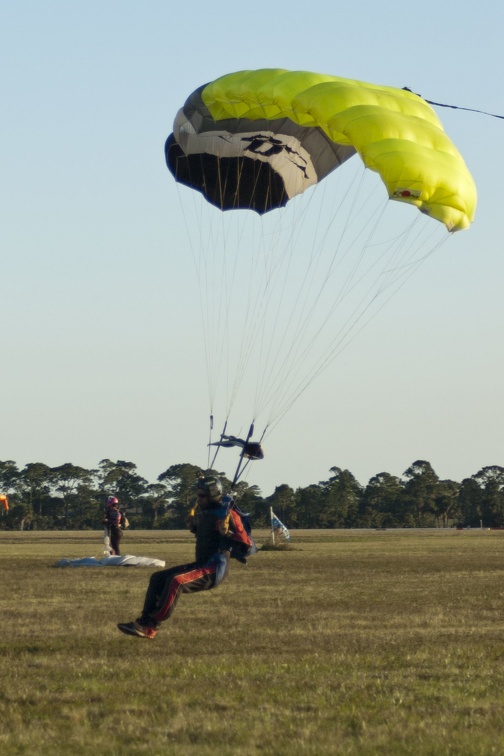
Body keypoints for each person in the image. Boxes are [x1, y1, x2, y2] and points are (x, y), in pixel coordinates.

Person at [117, 476, 236, 640]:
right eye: (198, 496)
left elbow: (243, 542)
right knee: (158, 578)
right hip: (201, 564)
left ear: (213, 495)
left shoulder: (228, 513)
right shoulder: (207, 513)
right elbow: (208, 536)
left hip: (214, 568)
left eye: (202, 496)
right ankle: (143, 622)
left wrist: (227, 533)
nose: (199, 500)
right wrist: (193, 527)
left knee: (176, 581)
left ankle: (150, 625)